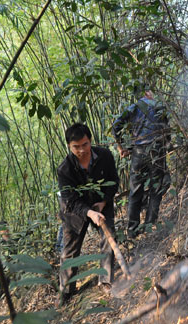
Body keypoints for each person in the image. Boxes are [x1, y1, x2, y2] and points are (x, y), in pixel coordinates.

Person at [57, 123, 119, 305]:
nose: (81, 150)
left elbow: (114, 181)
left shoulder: (105, 156)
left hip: (101, 201)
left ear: (90, 141)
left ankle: (105, 280)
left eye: (85, 144)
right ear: (69, 146)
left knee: (109, 239)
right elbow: (71, 200)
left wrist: (104, 202)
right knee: (70, 251)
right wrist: (89, 213)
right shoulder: (64, 169)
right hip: (74, 210)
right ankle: (66, 291)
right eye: (76, 147)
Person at [112, 85, 170, 238]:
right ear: (147, 93)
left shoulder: (133, 108)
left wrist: (121, 148)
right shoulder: (160, 107)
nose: (154, 94)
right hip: (157, 152)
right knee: (156, 189)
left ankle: (132, 231)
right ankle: (150, 226)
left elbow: (115, 126)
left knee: (135, 190)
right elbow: (167, 133)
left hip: (138, 153)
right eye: (152, 91)